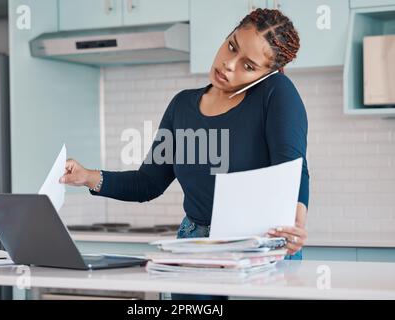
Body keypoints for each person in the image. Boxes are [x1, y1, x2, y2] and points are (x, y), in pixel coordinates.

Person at [60, 8, 309, 300]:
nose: (229, 65)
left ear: (267, 74)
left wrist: (297, 221)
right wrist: (88, 177)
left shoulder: (276, 93)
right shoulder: (182, 106)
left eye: (248, 66)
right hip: (195, 248)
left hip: (258, 250)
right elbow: (148, 182)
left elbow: (293, 167)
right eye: (231, 46)